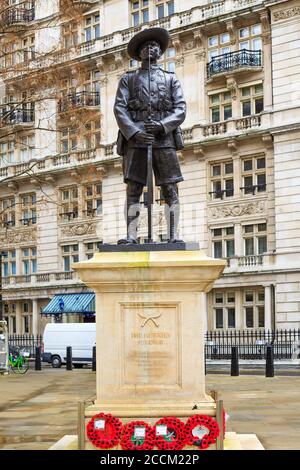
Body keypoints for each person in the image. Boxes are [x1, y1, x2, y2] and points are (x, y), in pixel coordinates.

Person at [114, 27, 186, 244]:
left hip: (164, 140)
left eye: (154, 46)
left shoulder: (171, 79)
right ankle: (131, 235)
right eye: (145, 46)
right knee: (134, 188)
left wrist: (162, 126)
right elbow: (119, 108)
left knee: (170, 187)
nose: (150, 49)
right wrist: (135, 132)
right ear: (139, 53)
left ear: (160, 52)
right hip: (136, 141)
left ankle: (173, 235)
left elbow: (180, 109)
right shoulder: (128, 79)